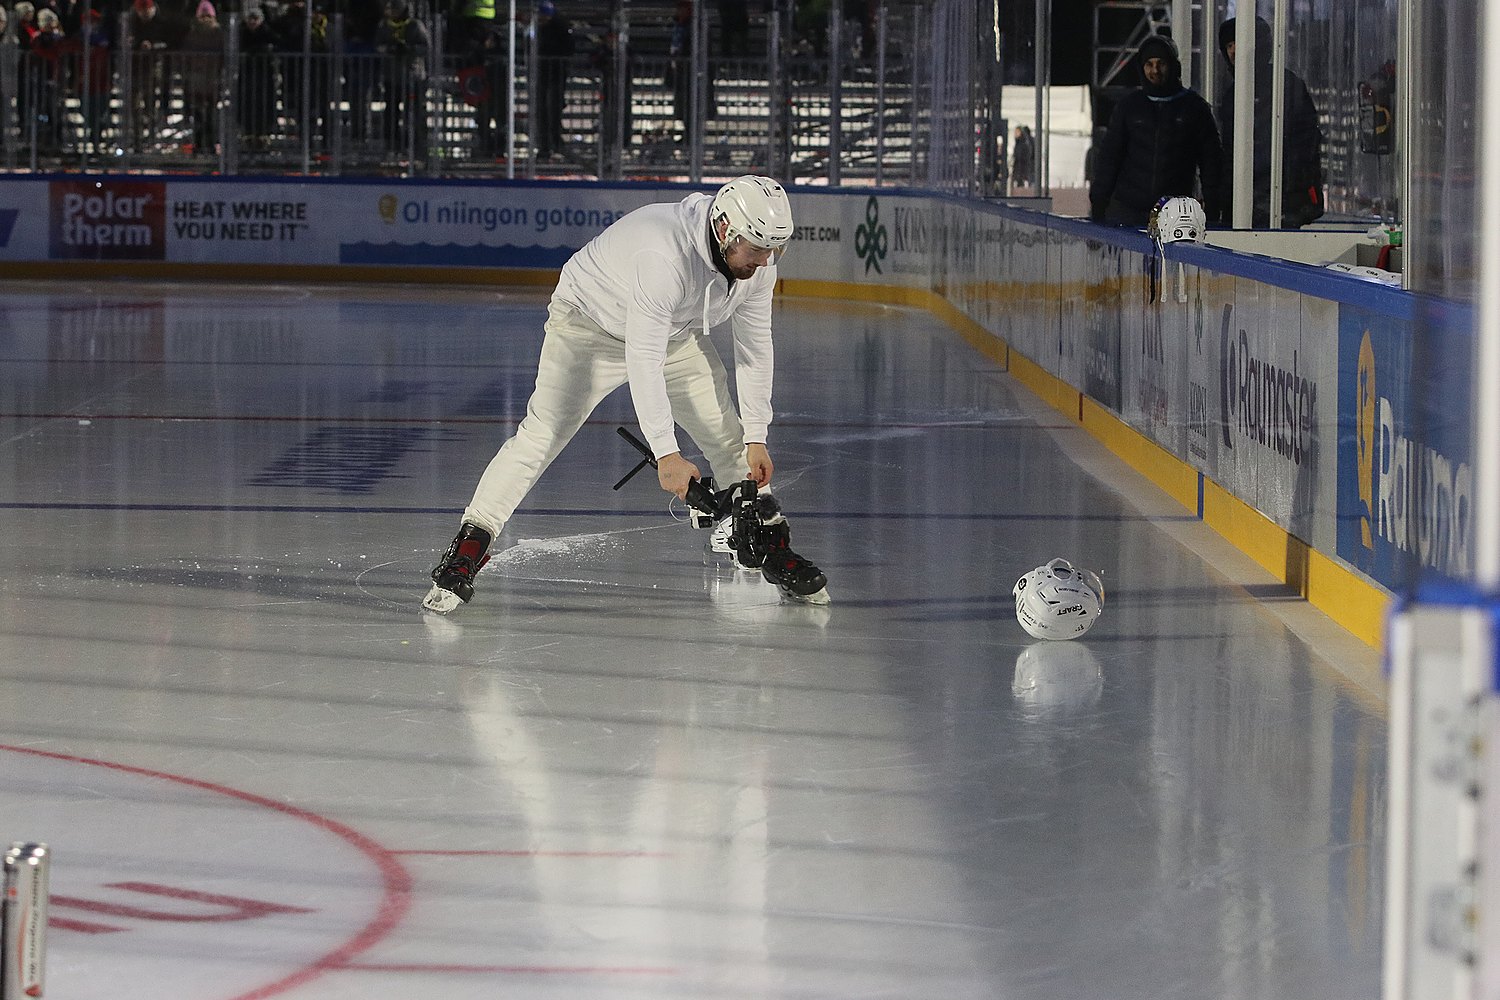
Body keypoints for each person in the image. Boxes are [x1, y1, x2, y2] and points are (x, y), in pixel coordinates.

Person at [422, 175, 830, 614]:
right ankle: (469, 546)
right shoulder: (664, 256)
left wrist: (756, 435)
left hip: (672, 333)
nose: (765, 259)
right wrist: (667, 454)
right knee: (542, 435)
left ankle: (771, 545)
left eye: (773, 249)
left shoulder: (756, 265)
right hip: (587, 325)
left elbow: (754, 347)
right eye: (756, 247)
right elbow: (643, 360)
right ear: (725, 229)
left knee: (732, 442)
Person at [1089, 33, 1225, 228]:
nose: (1155, 71)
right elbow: (1110, 157)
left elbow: (1211, 160)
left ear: (1172, 66)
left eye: (1161, 63)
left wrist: (1212, 205)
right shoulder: (1128, 107)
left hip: (1176, 215)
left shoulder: (1194, 108)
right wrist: (1099, 203)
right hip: (1128, 212)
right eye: (1149, 64)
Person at [1216, 16, 1325, 228]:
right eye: (1229, 45)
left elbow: (1306, 141)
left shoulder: (1285, 85)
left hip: (1283, 203)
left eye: (1238, 43)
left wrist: (1290, 192)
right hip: (1245, 202)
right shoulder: (1232, 94)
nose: (1233, 51)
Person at [179, 0, 223, 153]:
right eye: (203, 16)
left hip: (211, 80)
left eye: (207, 16)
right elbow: (186, 56)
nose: (205, 19)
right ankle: (199, 143)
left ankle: (209, 143)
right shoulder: (193, 34)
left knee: (210, 114)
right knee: (198, 114)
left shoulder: (218, 34)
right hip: (197, 79)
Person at [534, 0, 573, 159]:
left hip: (554, 73)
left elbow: (568, 48)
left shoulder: (559, 27)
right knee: (544, 109)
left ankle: (553, 143)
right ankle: (547, 145)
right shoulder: (544, 27)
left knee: (551, 109)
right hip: (546, 73)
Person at [1011, 125, 1034, 189]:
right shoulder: (1018, 143)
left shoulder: (1024, 144)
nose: (1015, 134)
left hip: (1022, 170)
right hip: (1019, 170)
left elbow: (1025, 158)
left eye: (1017, 132)